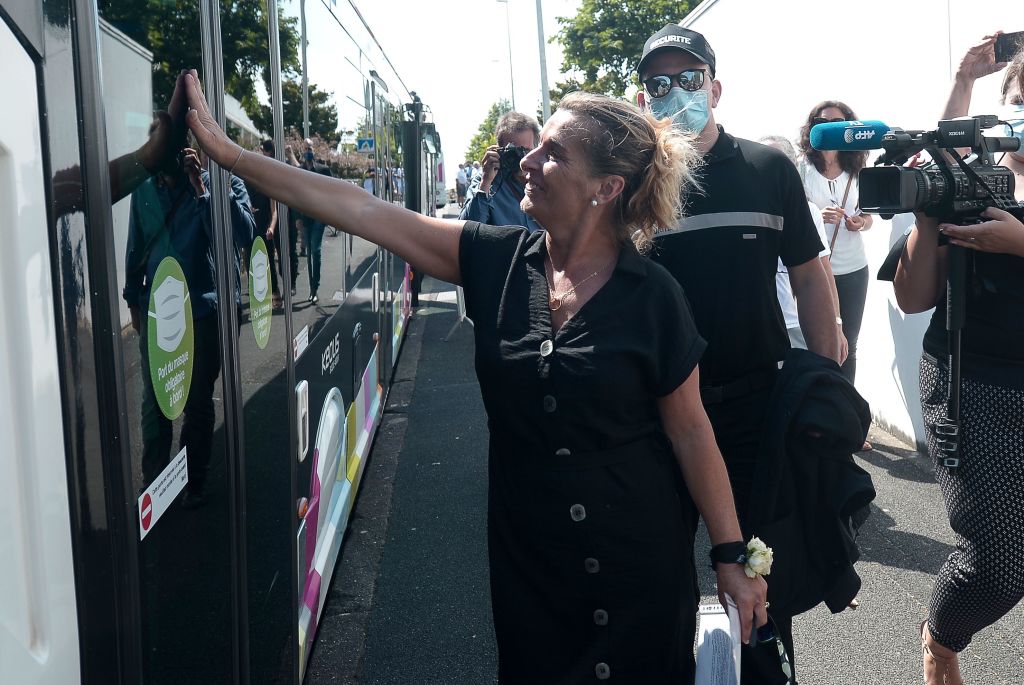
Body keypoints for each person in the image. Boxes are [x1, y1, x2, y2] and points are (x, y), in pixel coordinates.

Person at [181, 69, 767, 682]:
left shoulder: (655, 298)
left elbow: (692, 433)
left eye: (552, 153)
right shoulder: (493, 259)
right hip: (532, 568)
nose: (527, 163)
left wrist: (731, 556)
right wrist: (231, 155)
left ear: (606, 188)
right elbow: (358, 207)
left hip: (640, 565)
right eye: (534, 146)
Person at [636, 24, 842, 680]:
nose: (676, 94)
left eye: (689, 80)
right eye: (659, 84)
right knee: (657, 568)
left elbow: (810, 273)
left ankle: (766, 666)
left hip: (756, 407)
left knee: (756, 565)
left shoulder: (767, 169)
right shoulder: (630, 184)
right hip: (657, 416)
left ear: (716, 88)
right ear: (643, 100)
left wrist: (827, 373)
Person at [894, 34, 1024, 685]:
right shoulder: (972, 179)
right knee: (1000, 565)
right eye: (1022, 102)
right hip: (972, 384)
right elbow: (915, 298)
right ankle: (941, 639)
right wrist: (926, 221)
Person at [123, 138, 254, 508]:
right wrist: (132, 296)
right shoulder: (145, 190)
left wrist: (202, 188)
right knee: (157, 402)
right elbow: (137, 245)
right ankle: (154, 485)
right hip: (159, 310)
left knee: (196, 402)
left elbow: (240, 236)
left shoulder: (224, 181)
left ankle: (191, 482)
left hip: (204, 310)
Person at [796, 101, 874, 399]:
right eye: (823, 121)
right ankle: (816, 414)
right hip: (814, 269)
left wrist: (858, 222)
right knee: (817, 342)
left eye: (839, 122)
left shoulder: (857, 166)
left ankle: (845, 418)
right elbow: (795, 215)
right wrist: (817, 214)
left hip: (853, 267)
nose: (830, 127)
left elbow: (869, 218)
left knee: (848, 345)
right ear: (813, 125)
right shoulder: (802, 168)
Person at [760, 135, 847, 357]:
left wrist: (836, 323)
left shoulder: (808, 212)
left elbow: (823, 271)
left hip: (795, 325)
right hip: (760, 327)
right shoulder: (748, 213)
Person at [460, 111, 542, 231]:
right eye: (514, 151)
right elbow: (467, 230)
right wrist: (486, 182)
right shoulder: (486, 181)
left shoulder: (544, 179)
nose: (522, 159)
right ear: (498, 150)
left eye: (527, 150)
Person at [295, 138, 333, 304]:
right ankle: (311, 288)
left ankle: (314, 288)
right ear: (302, 151)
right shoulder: (299, 170)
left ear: (313, 149)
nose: (308, 150)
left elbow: (331, 192)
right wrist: (296, 217)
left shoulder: (323, 170)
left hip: (319, 216)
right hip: (305, 217)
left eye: (309, 147)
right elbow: (294, 195)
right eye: (305, 148)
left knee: (315, 251)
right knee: (309, 252)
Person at [250, 139, 282, 309]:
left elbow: (274, 210)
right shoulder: (246, 184)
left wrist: (272, 227)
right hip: (251, 229)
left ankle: (275, 293)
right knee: (254, 264)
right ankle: (260, 297)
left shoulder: (269, 184)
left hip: (265, 229)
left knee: (269, 261)